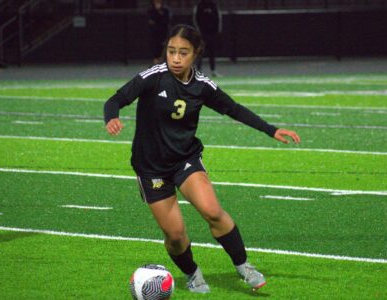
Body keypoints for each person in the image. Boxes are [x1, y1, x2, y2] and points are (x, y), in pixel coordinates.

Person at [104, 24, 300, 294]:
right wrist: (111, 116)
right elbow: (115, 99)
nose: (175, 58)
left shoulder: (202, 86)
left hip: (185, 159)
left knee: (212, 211)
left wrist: (271, 129)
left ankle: (243, 266)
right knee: (175, 235)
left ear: (196, 53)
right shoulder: (153, 77)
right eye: (171, 51)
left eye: (183, 53)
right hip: (151, 169)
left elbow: (234, 109)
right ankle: (192, 273)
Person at [193, 0, 221, 77]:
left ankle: (213, 70)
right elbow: (196, 19)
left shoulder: (213, 5)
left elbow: (218, 18)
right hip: (202, 33)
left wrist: (217, 31)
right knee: (200, 52)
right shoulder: (199, 5)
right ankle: (198, 71)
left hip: (212, 33)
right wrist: (199, 32)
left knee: (212, 52)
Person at [147, 0, 171, 65]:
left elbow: (165, 21)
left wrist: (158, 20)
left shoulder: (165, 10)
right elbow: (151, 21)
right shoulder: (151, 10)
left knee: (162, 49)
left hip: (163, 33)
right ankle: (156, 64)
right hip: (154, 34)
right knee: (155, 49)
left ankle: (162, 64)